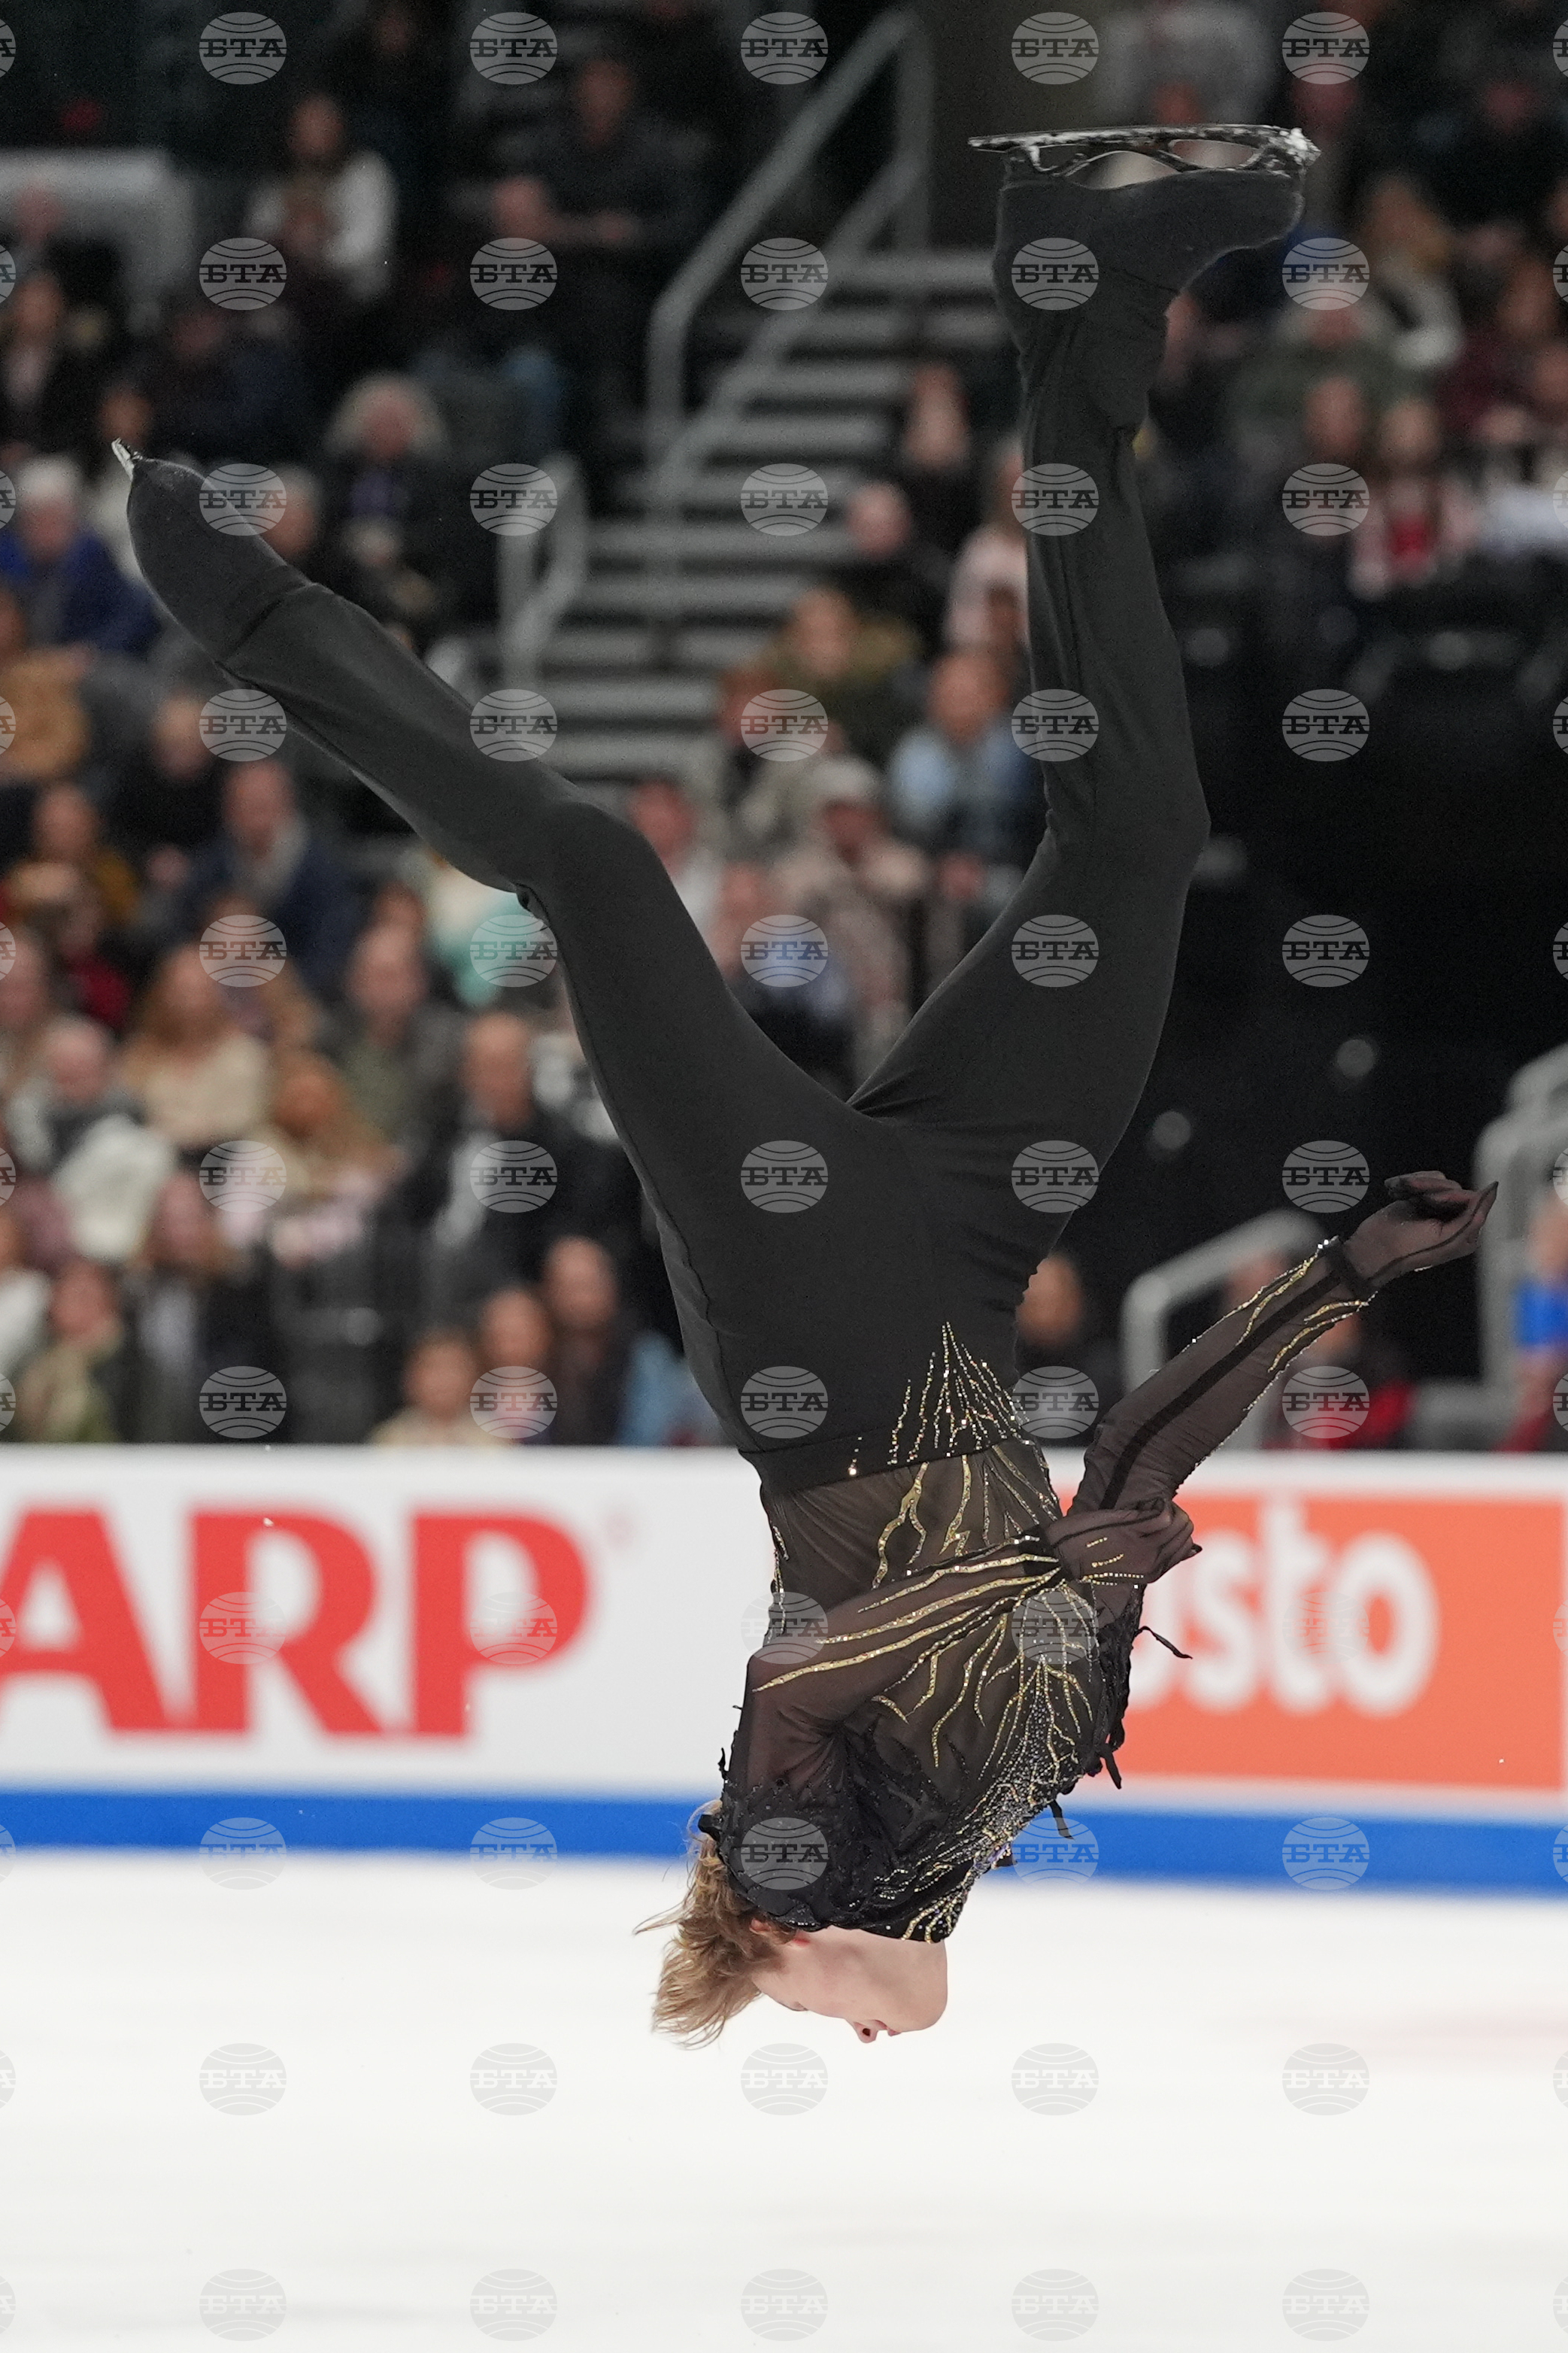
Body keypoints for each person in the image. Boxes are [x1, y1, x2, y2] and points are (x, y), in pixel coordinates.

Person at [116, 124, 1496, 2048]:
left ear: (784, 1964)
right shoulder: (1039, 1767)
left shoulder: (801, 1845)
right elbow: (1131, 1466)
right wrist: (1334, 1280)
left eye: (837, 2015)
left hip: (812, 1328)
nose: (876, 2029)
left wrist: (1019, 1593)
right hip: (963, 1255)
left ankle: (251, 618)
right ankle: (1083, 297)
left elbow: (805, 1665)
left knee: (594, 865)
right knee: (1133, 836)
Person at [177, 761, 362, 1000]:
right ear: (228, 810)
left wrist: (283, 993)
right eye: (246, 805)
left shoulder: (324, 870)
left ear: (288, 804)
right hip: (219, 1000)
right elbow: (184, 930)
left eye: (264, 805)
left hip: (304, 996)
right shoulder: (212, 866)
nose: (257, 817)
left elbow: (332, 948)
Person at [538, 1231, 720, 1447]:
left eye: (589, 1285)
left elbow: (650, 1439)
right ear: (548, 1291)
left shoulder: (647, 1358)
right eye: (571, 1286)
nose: (581, 1299)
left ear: (611, 1288)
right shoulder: (536, 1353)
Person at [372, 1328, 508, 1447]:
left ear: (473, 1377)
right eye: (432, 1367)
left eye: (453, 1368)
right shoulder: (390, 1439)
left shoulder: (495, 1439)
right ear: (412, 1377)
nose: (442, 1379)